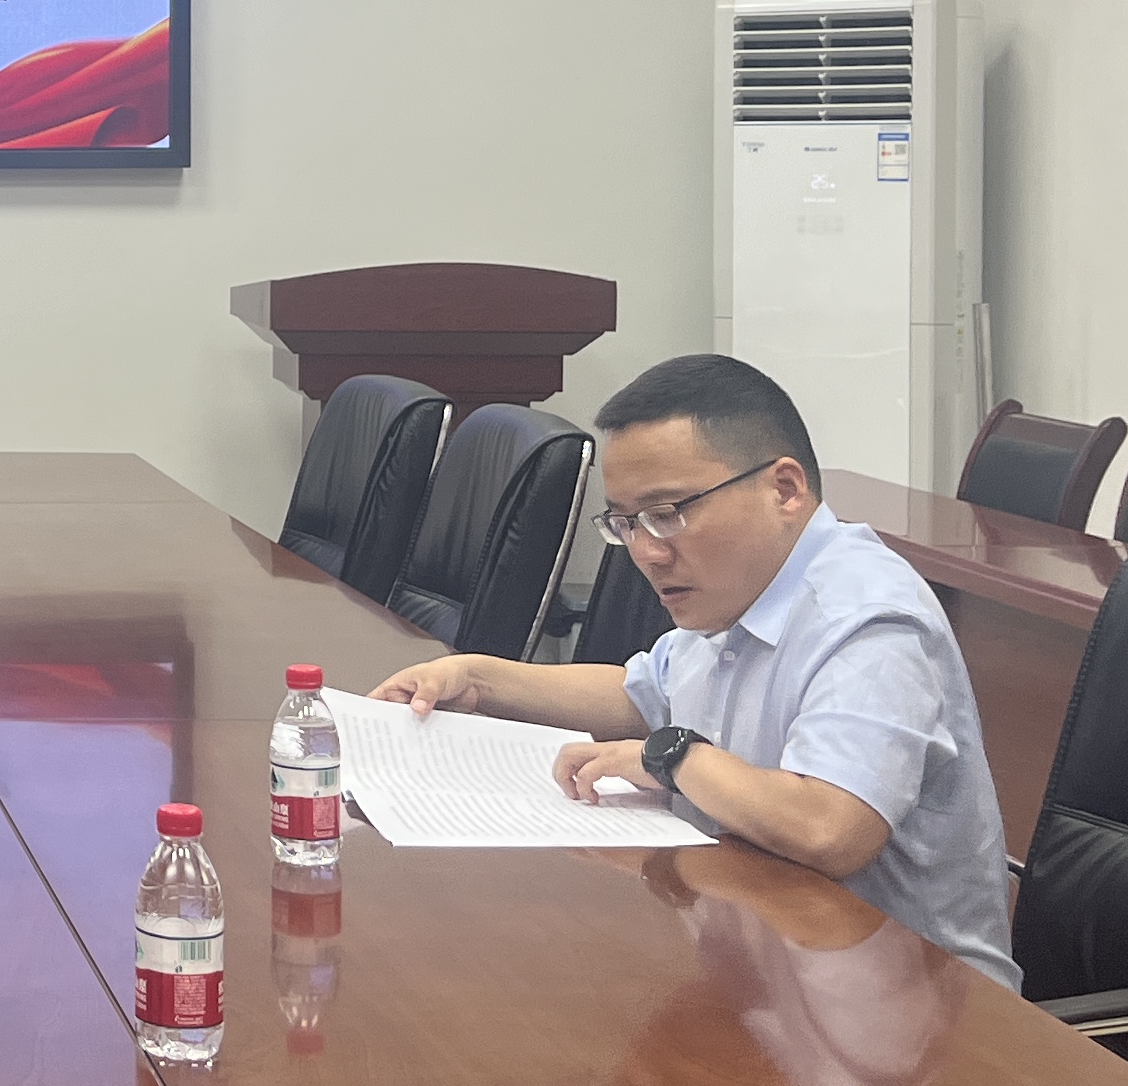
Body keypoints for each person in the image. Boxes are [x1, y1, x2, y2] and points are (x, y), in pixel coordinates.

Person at [373, 353, 1019, 989]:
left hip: (917, 1002)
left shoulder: (867, 619)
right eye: (626, 523)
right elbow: (642, 695)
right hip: (772, 963)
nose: (647, 553)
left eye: (668, 514)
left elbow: (828, 829)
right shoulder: (744, 587)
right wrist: (477, 679)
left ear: (784, 489)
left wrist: (673, 756)